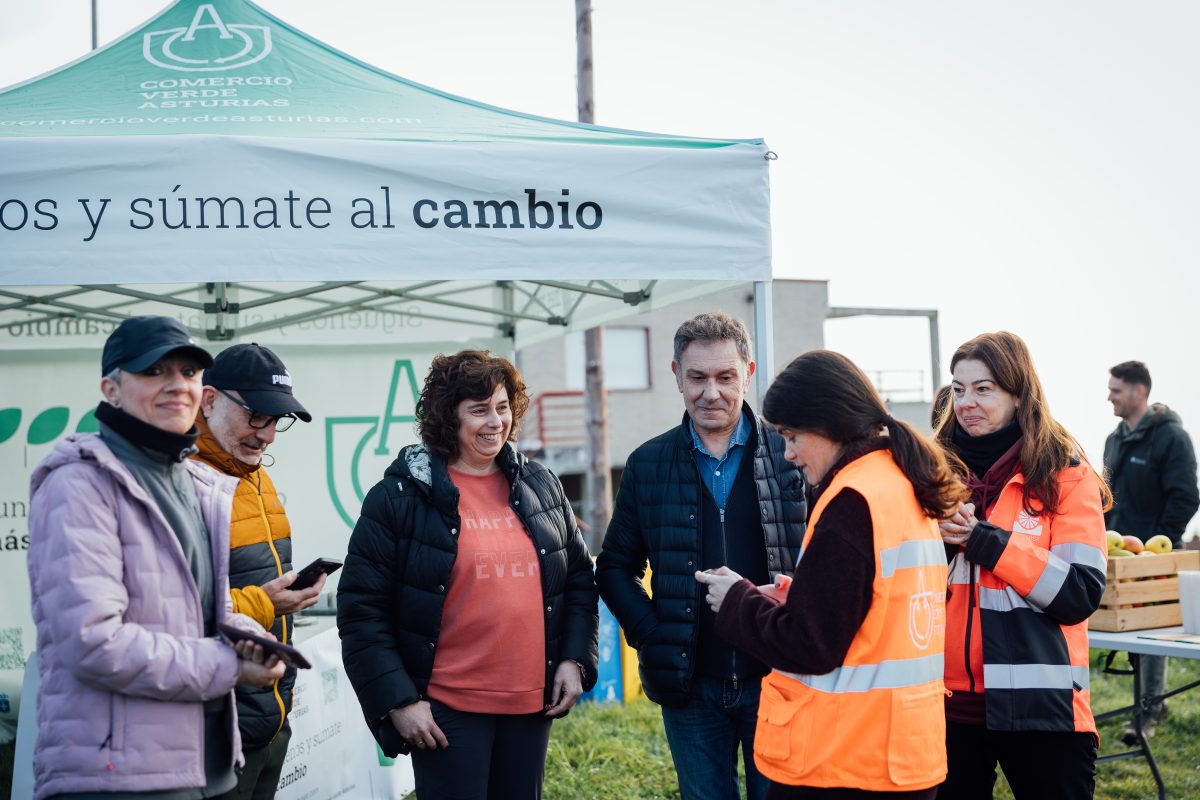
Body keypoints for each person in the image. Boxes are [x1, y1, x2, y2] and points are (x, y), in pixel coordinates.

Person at [26, 316, 284, 800]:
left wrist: (251, 637)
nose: (176, 386)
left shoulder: (191, 482)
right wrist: (228, 666)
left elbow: (194, 611)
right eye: (154, 372)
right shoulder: (78, 484)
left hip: (198, 765)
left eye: (188, 372)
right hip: (116, 777)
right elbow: (95, 643)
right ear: (112, 389)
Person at [696, 349, 965, 799]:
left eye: (793, 435)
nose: (790, 453)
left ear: (829, 424)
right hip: (904, 755)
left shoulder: (851, 500)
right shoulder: (898, 485)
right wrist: (792, 594)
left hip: (843, 760)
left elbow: (810, 645)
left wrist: (737, 599)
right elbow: (874, 609)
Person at [337, 350, 598, 799]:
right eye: (478, 410)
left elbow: (577, 580)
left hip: (529, 706)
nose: (494, 421)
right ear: (446, 418)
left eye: (501, 407)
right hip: (447, 712)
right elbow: (362, 610)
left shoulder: (541, 485)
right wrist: (399, 701)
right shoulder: (399, 498)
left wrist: (575, 660)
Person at [595, 311, 807, 800]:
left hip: (779, 679)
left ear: (748, 374)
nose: (711, 392)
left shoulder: (790, 453)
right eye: (697, 377)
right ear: (676, 375)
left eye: (725, 377)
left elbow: (821, 555)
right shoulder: (648, 463)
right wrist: (653, 635)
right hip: (690, 688)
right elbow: (614, 568)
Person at [935, 332, 1110, 800]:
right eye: (958, 388)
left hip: (1043, 708)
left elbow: (1079, 593)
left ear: (1019, 394)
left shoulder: (1067, 475)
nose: (966, 402)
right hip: (944, 707)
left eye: (983, 388)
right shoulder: (930, 473)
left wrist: (983, 541)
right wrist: (942, 544)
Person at [193, 343, 324, 800]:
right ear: (208, 401)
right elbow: (176, 611)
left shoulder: (254, 474)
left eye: (276, 420)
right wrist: (268, 603)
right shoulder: (179, 482)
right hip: (212, 728)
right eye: (256, 416)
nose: (267, 435)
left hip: (270, 715)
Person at [1104, 360, 1199, 744]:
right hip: (1117, 556)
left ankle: (1146, 715)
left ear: (1138, 391)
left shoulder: (1171, 437)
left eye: (1115, 389)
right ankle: (1150, 705)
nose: (1108, 395)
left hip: (1155, 556)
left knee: (1153, 637)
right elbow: (1106, 496)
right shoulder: (1114, 439)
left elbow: (1186, 496)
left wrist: (1158, 545)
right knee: (1128, 636)